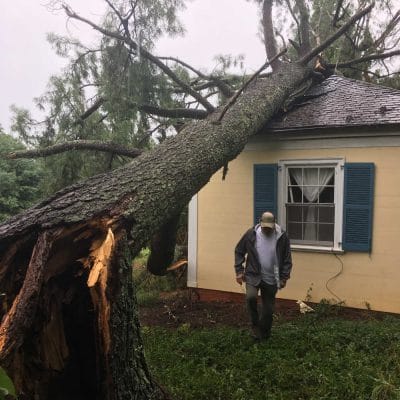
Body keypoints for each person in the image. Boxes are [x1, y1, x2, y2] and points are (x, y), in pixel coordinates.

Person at [234, 211, 292, 341]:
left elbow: (287, 258)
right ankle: (255, 325)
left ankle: (264, 336)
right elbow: (239, 251)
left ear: (274, 223)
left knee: (268, 311)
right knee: (251, 297)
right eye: (265, 227)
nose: (267, 229)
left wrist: (284, 277)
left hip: (272, 278)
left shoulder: (282, 236)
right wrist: (239, 271)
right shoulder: (251, 234)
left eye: (269, 227)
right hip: (252, 274)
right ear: (260, 222)